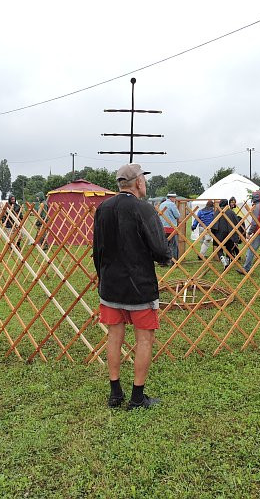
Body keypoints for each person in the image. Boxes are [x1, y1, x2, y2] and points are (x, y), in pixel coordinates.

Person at [93, 163, 171, 410]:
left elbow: (97, 250)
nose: (145, 183)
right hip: (140, 288)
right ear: (137, 182)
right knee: (144, 339)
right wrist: (166, 258)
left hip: (110, 287)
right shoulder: (143, 209)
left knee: (114, 337)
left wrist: (102, 278)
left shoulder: (103, 208)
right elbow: (159, 249)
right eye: (143, 180)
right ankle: (137, 398)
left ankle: (115, 394)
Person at [239, 191, 260, 276]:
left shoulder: (257, 207)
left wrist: (249, 232)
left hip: (259, 233)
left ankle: (246, 269)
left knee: (251, 250)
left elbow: (254, 222)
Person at [211, 198, 241, 268]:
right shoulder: (231, 212)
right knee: (229, 248)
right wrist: (237, 233)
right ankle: (228, 261)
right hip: (230, 233)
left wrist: (213, 233)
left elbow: (214, 224)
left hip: (219, 233)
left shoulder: (218, 212)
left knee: (219, 249)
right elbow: (237, 223)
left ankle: (224, 261)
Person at [159, 193, 181, 264]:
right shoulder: (172, 204)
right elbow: (177, 215)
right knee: (174, 245)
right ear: (171, 198)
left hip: (162, 228)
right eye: (174, 198)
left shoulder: (162, 204)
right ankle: (174, 262)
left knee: (164, 245)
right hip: (171, 227)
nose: (175, 199)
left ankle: (163, 262)